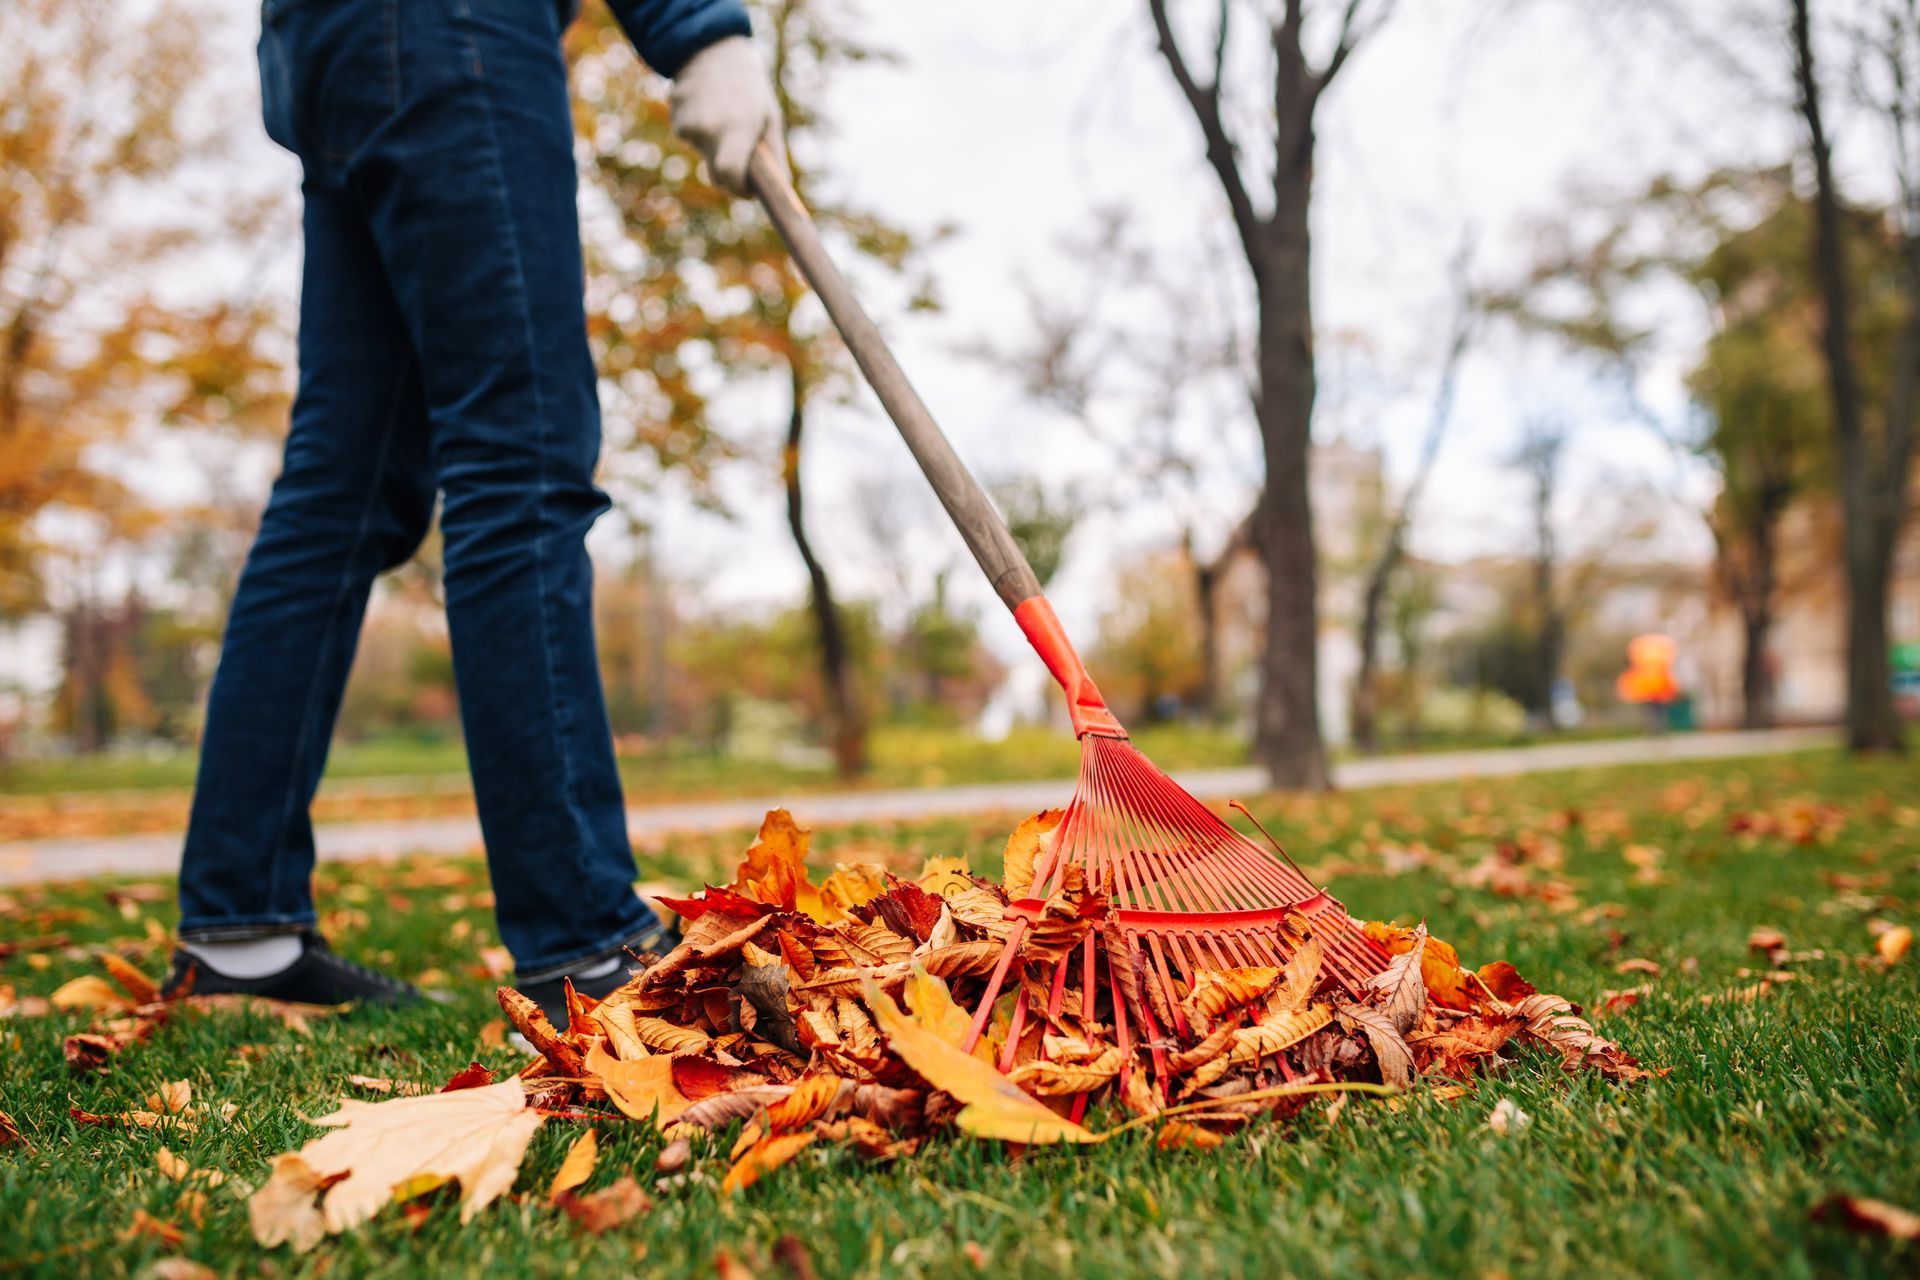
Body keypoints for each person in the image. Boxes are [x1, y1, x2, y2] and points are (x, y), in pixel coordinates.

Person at [161, 0, 783, 1025]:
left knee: (342, 489)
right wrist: (698, 28)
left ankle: (242, 927)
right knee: (522, 455)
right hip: (452, 29)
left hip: (325, 46)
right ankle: (582, 934)